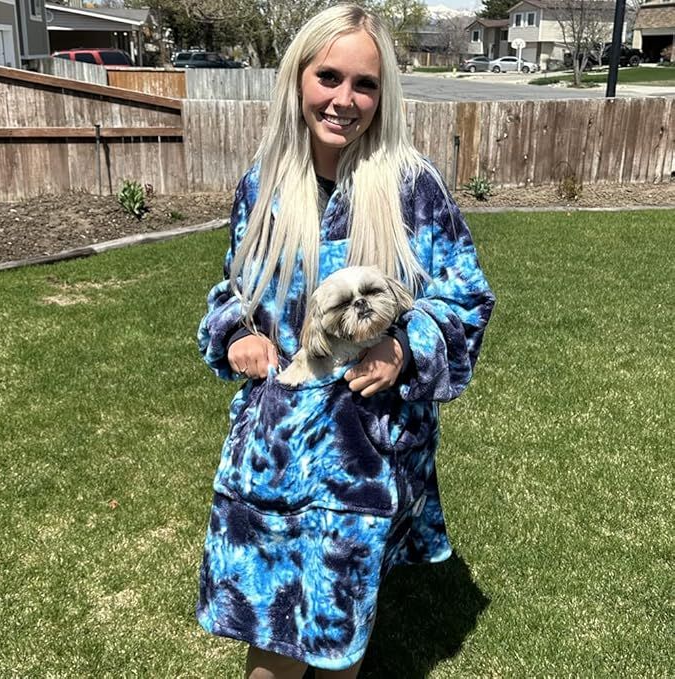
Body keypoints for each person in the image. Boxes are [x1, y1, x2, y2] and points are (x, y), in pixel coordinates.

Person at [196, 4, 495, 678]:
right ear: (298, 78)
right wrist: (237, 333)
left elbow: (466, 297)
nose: (344, 99)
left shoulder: (412, 188)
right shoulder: (263, 186)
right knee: (271, 630)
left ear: (382, 95)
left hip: (364, 452)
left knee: (337, 631)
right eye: (328, 76)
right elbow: (233, 288)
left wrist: (405, 348)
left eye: (364, 84)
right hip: (274, 445)